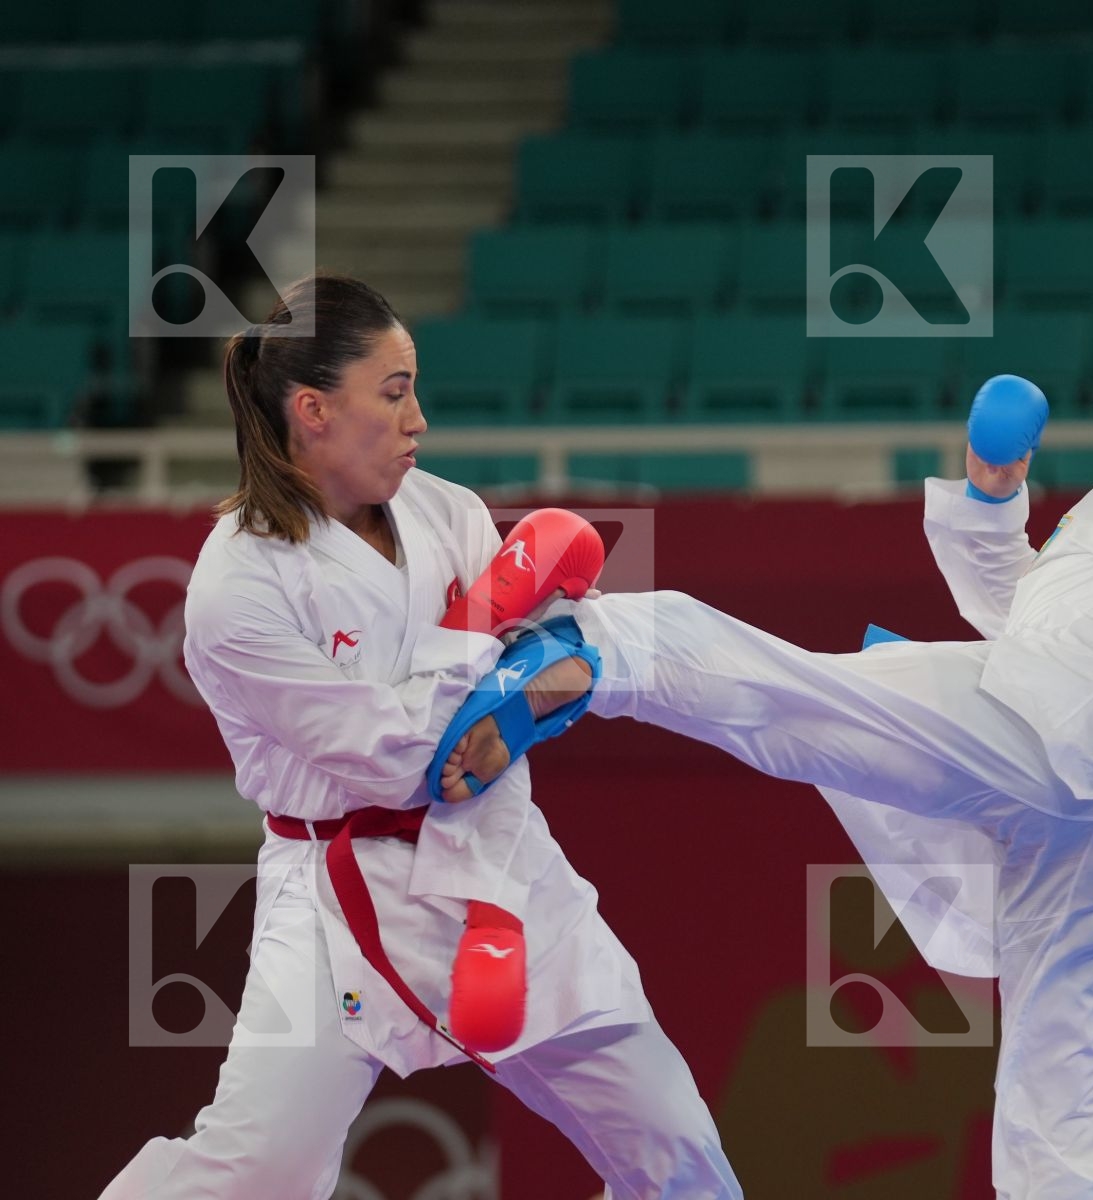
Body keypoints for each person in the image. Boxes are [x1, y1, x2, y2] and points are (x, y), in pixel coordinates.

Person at [443, 284, 1093, 1197]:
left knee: (806, 698)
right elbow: (1024, 614)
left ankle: (595, 648)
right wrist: (994, 501)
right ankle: (600, 655)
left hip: (1055, 732)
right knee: (1053, 1122)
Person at [100, 274, 740, 1200]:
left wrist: (527, 681)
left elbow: (563, 667)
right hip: (333, 892)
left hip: (499, 862)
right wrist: (492, 655)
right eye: (394, 393)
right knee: (254, 1174)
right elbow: (399, 757)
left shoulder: (450, 512)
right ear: (313, 410)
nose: (420, 421)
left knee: (676, 1149)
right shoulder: (239, 588)